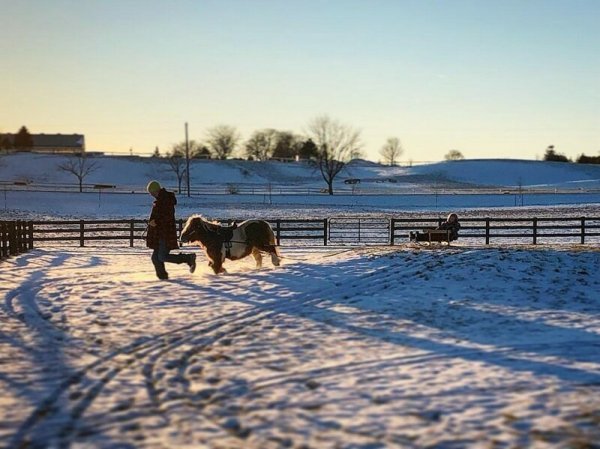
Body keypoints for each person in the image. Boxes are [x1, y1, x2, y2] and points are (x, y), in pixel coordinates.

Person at [146, 180, 196, 280]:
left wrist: (155, 222)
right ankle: (163, 279)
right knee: (155, 258)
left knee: (162, 257)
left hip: (165, 233)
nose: (151, 195)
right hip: (159, 233)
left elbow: (166, 218)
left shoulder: (165, 200)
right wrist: (152, 222)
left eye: (151, 193)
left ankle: (188, 258)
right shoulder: (160, 200)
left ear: (156, 190)